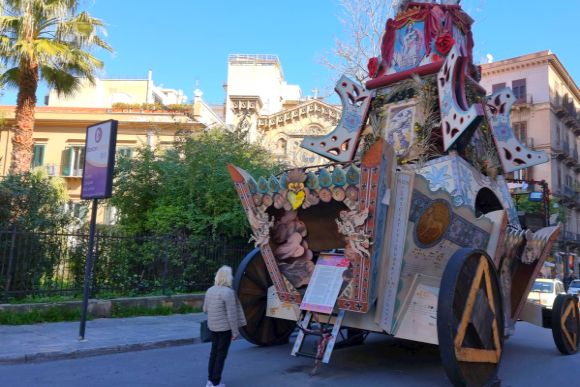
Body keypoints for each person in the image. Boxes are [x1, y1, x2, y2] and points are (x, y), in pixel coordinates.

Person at [203, 266, 246, 387]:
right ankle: (216, 382)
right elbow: (232, 315)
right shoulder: (228, 293)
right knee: (221, 355)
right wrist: (235, 332)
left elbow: (205, 309)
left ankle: (210, 381)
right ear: (228, 277)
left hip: (213, 327)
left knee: (213, 353)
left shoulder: (210, 290)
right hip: (225, 329)